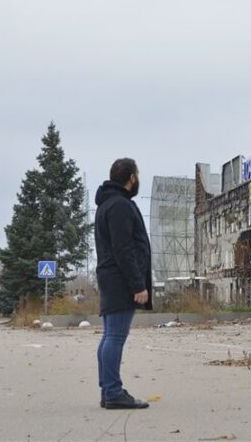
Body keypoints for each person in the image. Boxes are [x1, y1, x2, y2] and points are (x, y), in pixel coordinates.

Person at [94, 158, 152, 409]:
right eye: (137, 174)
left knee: (110, 336)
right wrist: (137, 285)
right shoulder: (119, 205)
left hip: (111, 277)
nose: (138, 178)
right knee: (115, 337)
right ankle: (113, 392)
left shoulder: (108, 203)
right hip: (119, 280)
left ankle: (108, 391)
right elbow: (124, 249)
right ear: (131, 177)